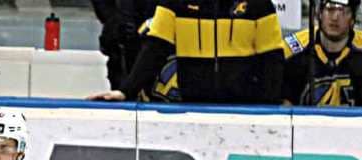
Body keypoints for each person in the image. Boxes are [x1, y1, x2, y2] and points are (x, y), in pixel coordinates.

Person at [89, 0, 285, 104]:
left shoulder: (259, 4)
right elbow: (155, 47)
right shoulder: (174, 2)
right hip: (191, 106)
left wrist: (270, 107)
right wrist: (126, 91)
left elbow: (272, 58)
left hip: (246, 110)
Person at [282, 0, 362, 106]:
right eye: (330, 9)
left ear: (352, 19)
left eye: (342, 11)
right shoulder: (295, 60)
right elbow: (284, 110)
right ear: (319, 13)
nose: (335, 17)